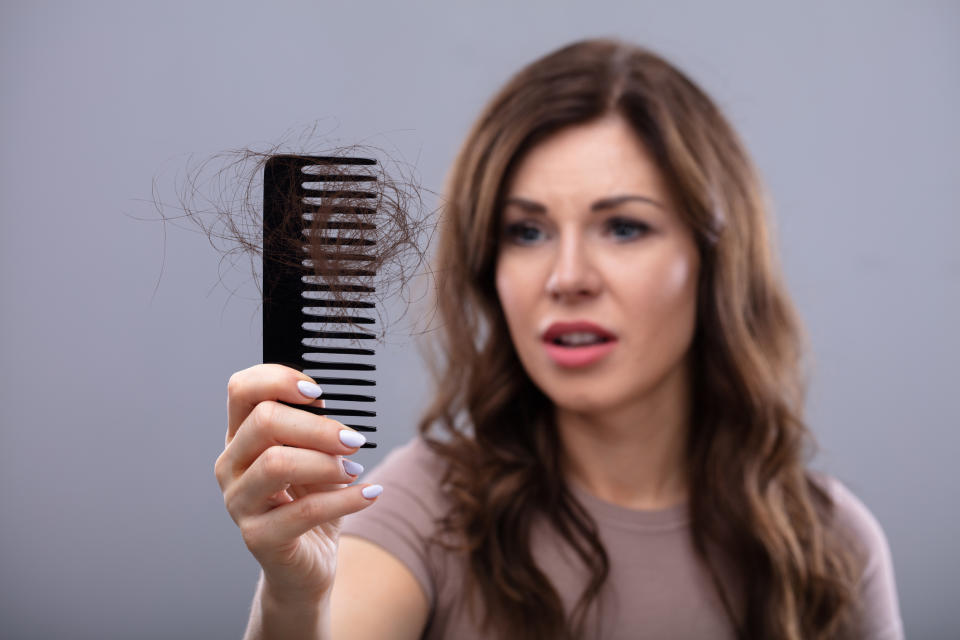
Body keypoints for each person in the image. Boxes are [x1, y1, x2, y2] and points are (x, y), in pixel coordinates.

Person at [215, 38, 904, 639]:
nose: (567, 278)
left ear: (713, 260)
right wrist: (292, 601)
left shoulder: (831, 545)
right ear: (492, 267)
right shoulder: (429, 509)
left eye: (624, 227)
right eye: (528, 232)